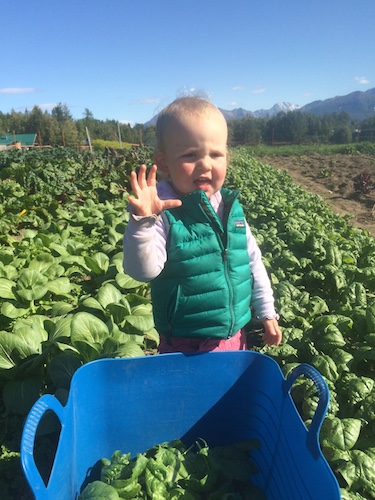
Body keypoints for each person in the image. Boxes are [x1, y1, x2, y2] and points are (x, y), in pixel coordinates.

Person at [123, 96, 282, 353]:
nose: (206, 164)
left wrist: (267, 311)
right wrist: (142, 223)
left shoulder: (231, 209)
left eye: (216, 154)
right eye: (190, 155)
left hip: (234, 337)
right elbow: (143, 271)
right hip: (184, 344)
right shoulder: (163, 214)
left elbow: (253, 261)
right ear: (164, 163)